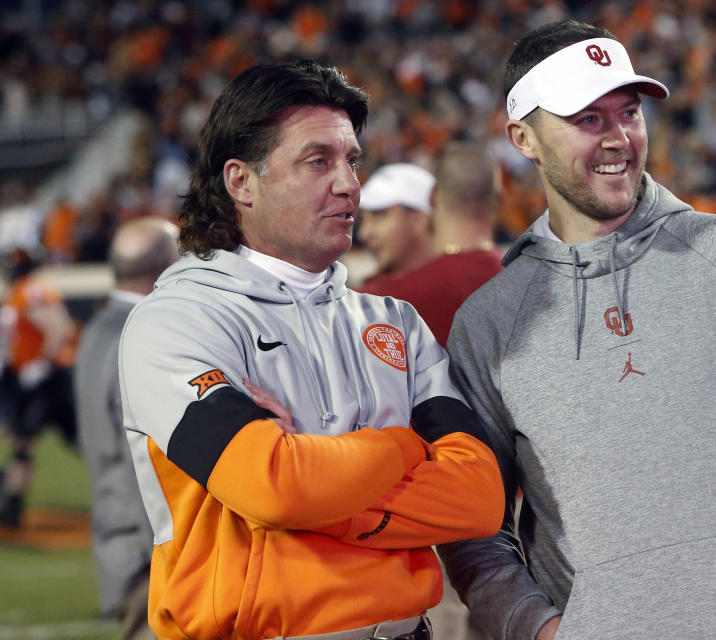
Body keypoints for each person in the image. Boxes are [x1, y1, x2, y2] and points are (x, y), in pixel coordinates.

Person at [439, 19, 716, 640]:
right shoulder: (490, 321)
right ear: (524, 139)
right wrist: (538, 628)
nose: (619, 137)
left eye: (629, 113)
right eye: (588, 119)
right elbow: (473, 521)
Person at [117, 61, 503, 640]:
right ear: (241, 181)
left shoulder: (393, 320)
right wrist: (403, 445)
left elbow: (478, 498)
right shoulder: (175, 322)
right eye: (318, 160)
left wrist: (317, 480)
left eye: (352, 160)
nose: (350, 184)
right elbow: (275, 486)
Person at [74, 217, 180, 640]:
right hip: (148, 547)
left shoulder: (98, 329)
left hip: (120, 541)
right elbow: (143, 454)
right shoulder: (139, 332)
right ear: (165, 267)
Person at [360, 141, 504, 347]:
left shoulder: (385, 301)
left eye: (380, 216)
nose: (365, 233)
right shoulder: (513, 276)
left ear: (427, 209)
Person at [0, 247, 78, 528]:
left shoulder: (30, 290)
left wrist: (42, 364)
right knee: (24, 443)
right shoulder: (24, 291)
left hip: (49, 378)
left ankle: (11, 505)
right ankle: (11, 506)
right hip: (42, 377)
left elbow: (58, 329)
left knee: (79, 440)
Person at [356, 162, 437, 285]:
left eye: (379, 216)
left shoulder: (462, 289)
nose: (364, 233)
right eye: (363, 219)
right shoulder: (369, 291)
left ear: (419, 220)